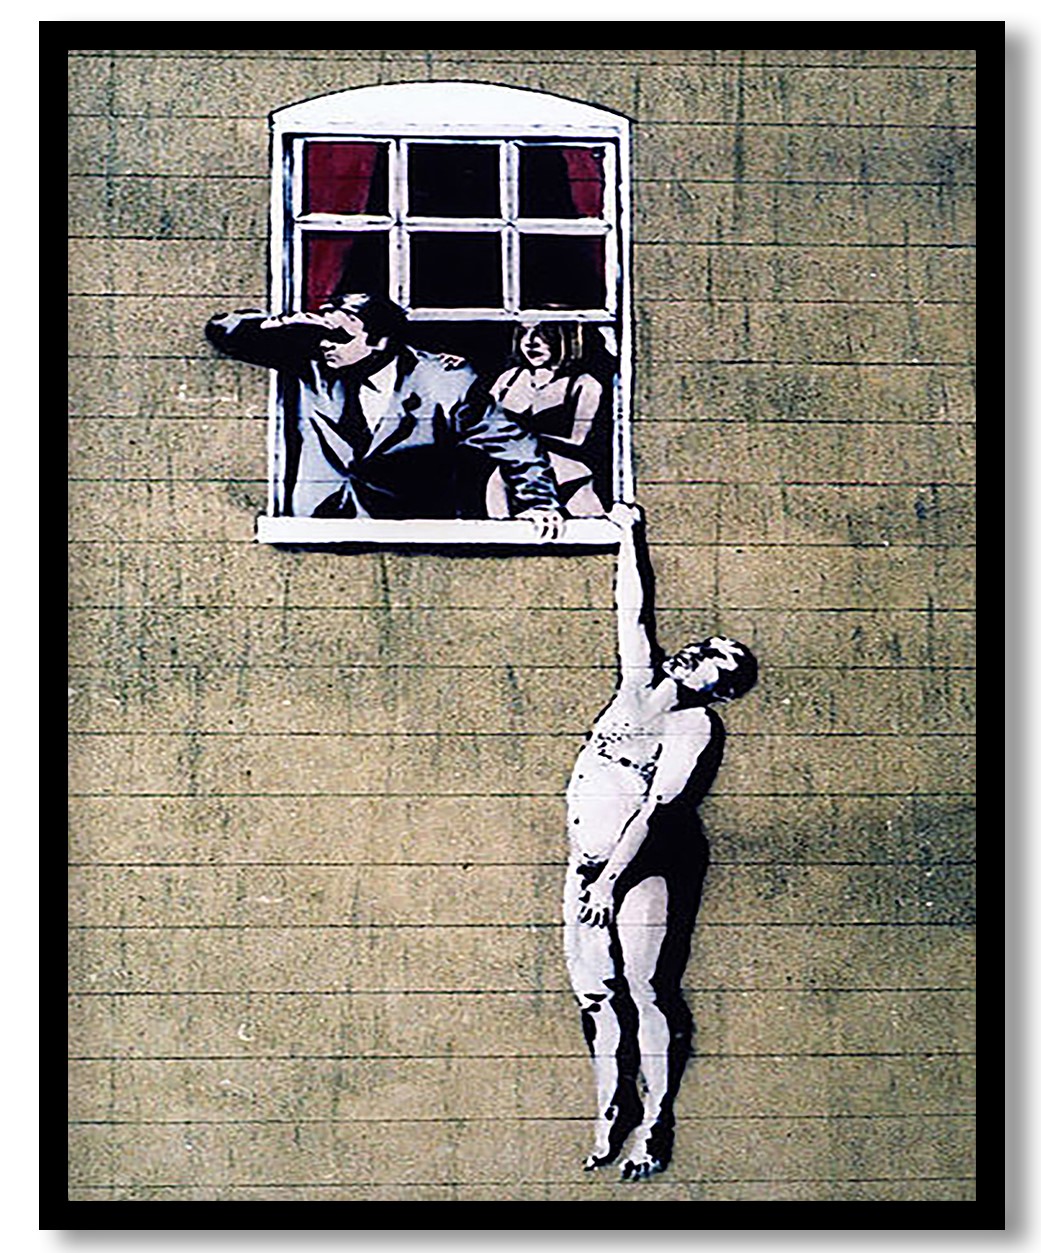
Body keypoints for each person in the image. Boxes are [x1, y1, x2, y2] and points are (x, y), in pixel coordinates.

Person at [564, 502, 758, 1180]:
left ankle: (654, 1122)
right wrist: (630, 533)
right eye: (704, 644)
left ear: (720, 690)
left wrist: (609, 882)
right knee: (595, 994)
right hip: (586, 867)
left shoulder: (694, 727)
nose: (698, 652)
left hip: (641, 872)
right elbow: (633, 608)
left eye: (714, 661)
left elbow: (655, 809)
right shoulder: (637, 684)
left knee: (645, 990)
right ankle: (609, 1110)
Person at [205, 294, 564, 537]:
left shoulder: (444, 381)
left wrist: (539, 503)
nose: (326, 343)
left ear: (380, 340)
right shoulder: (310, 365)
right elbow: (223, 331)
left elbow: (514, 442)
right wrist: (291, 322)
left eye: (340, 336)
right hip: (315, 530)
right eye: (324, 334)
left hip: (406, 535)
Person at [485, 321, 608, 519]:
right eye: (524, 333)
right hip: (509, 477)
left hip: (565, 474)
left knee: (590, 527)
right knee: (501, 529)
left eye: (543, 333)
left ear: (563, 337)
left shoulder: (584, 384)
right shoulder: (508, 379)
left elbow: (578, 440)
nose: (530, 342)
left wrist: (522, 439)